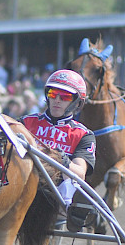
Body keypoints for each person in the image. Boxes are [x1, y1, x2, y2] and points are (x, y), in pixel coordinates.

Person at [20, 69, 96, 231]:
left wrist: (61, 158)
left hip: (56, 195)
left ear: (77, 102)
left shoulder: (83, 135)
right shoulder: (26, 122)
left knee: (71, 182)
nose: (57, 100)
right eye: (53, 94)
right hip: (22, 184)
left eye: (65, 97)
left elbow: (80, 172)